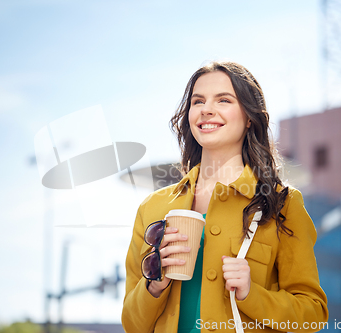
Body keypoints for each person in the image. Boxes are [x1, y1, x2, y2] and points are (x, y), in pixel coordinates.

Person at [121, 61, 329, 333]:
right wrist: (155, 285)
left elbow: (312, 313)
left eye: (223, 100)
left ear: (250, 117)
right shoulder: (153, 207)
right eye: (198, 101)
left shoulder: (282, 203)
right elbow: (132, 324)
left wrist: (251, 294)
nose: (206, 109)